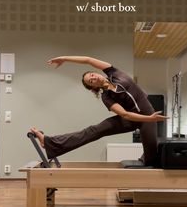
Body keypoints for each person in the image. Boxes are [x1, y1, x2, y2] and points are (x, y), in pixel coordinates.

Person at [31, 56, 168, 166]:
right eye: (90, 81)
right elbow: (124, 114)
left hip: (147, 113)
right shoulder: (106, 97)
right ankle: (48, 142)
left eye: (91, 75)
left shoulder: (114, 73)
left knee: (151, 159)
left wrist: (65, 59)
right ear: (93, 87)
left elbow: (88, 60)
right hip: (132, 118)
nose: (92, 78)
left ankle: (146, 160)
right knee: (94, 131)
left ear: (95, 72)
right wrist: (150, 119)